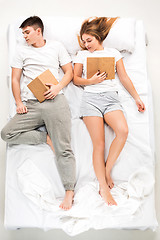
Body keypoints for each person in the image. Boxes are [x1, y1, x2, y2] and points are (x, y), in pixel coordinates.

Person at [1, 16, 76, 210]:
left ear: (38, 31)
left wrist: (58, 87)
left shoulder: (56, 47)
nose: (24, 36)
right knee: (6, 133)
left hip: (54, 101)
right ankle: (45, 138)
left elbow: (69, 72)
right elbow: (15, 79)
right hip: (31, 104)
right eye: (22, 33)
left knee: (64, 148)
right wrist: (18, 102)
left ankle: (69, 192)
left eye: (27, 32)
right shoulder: (21, 51)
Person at [73, 17, 145, 206]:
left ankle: (105, 172)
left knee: (123, 131)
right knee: (100, 144)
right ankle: (103, 188)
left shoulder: (113, 53)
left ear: (98, 37)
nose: (86, 45)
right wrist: (91, 81)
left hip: (111, 99)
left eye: (89, 40)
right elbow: (75, 79)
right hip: (91, 100)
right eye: (84, 41)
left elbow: (124, 77)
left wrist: (137, 97)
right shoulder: (82, 56)